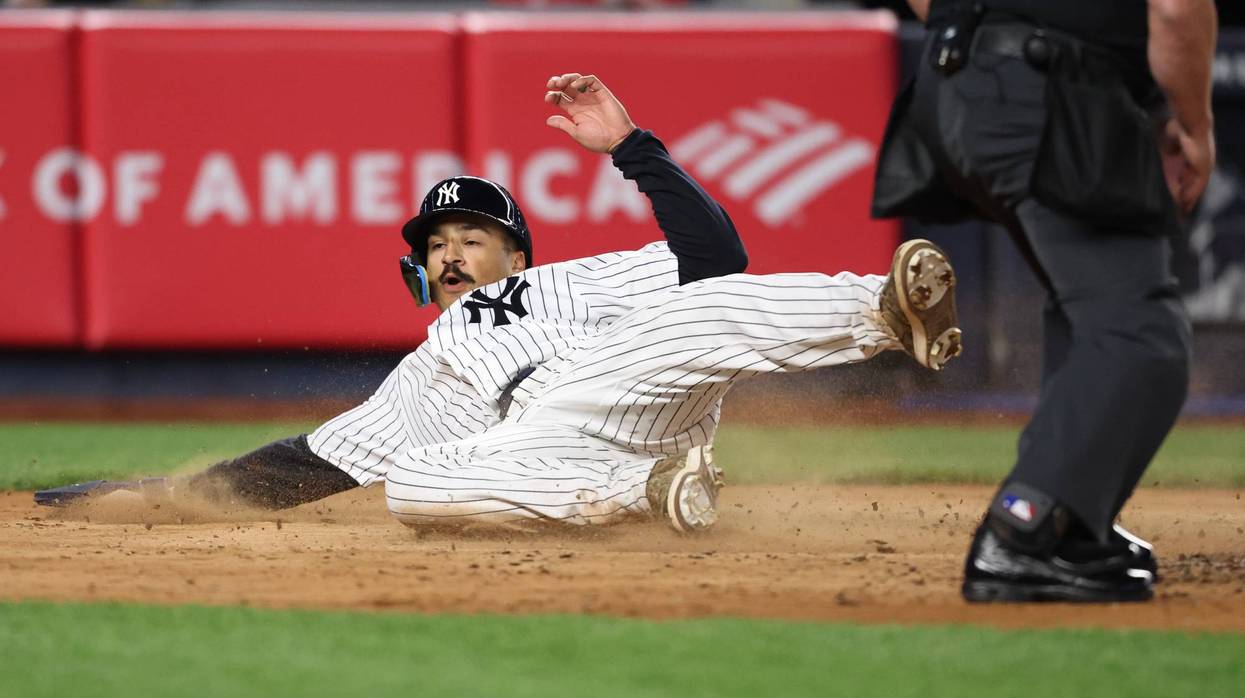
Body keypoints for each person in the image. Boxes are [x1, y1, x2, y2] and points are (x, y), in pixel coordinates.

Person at [38, 72, 962, 532]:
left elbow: (716, 257)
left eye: (470, 239)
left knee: (698, 307)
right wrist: (156, 496)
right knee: (414, 489)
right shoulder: (418, 373)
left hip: (612, 384)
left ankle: (884, 315)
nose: (448, 255)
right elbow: (303, 466)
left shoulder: (569, 280)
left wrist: (633, 146)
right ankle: (650, 497)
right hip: (544, 451)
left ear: (516, 250)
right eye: (434, 246)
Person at [872, 0, 1216, 601]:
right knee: (1141, 335)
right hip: (1047, 89)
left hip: (952, 85)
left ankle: (1073, 524)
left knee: (1091, 318)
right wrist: (1196, 127)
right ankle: (1024, 528)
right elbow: (1176, 8)